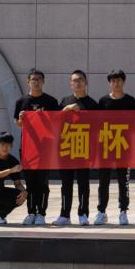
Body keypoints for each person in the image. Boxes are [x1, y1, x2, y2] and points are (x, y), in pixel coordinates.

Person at [13, 68, 58, 226]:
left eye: (39, 79)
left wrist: (44, 117)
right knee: (30, 181)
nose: (36, 82)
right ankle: (31, 212)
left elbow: (56, 123)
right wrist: (21, 119)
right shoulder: (21, 102)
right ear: (28, 82)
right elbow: (18, 124)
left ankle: (41, 213)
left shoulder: (51, 101)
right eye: (33, 79)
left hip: (45, 147)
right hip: (27, 148)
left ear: (43, 82)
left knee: (42, 182)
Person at [94, 69, 135, 226]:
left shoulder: (131, 101)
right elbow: (97, 124)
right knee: (103, 181)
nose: (116, 83)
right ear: (109, 83)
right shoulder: (103, 101)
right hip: (106, 146)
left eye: (118, 80)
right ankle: (101, 211)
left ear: (123, 81)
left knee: (123, 180)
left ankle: (123, 211)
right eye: (113, 80)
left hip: (124, 145)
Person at [55, 69, 98, 226]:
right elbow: (55, 122)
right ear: (70, 84)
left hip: (84, 148)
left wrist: (83, 112)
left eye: (80, 80)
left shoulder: (93, 104)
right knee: (66, 183)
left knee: (83, 183)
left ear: (86, 83)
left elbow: (97, 126)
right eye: (74, 80)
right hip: (66, 147)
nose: (77, 82)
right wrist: (64, 110)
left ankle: (83, 213)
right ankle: (64, 214)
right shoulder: (64, 101)